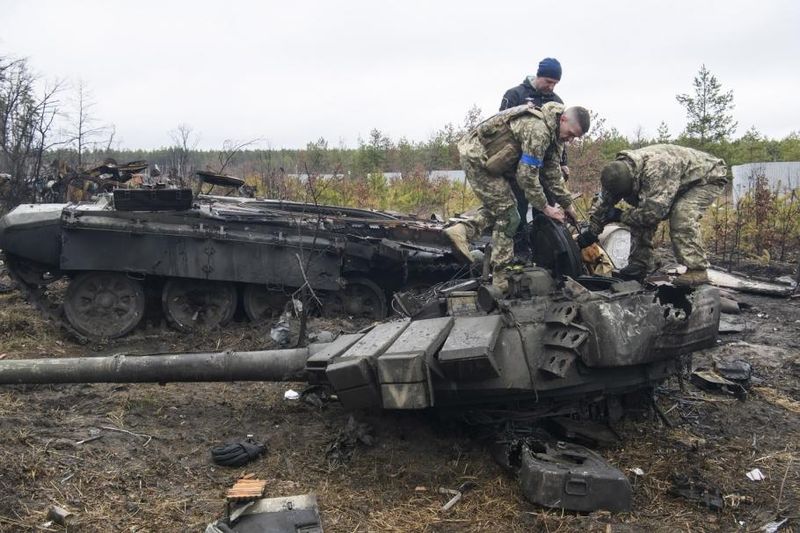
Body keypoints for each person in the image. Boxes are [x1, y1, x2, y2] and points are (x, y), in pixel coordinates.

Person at [444, 102, 591, 291]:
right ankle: (500, 280)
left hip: (493, 161)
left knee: (501, 207)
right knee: (509, 215)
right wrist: (546, 208)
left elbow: (552, 173)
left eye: (574, 137)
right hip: (477, 156)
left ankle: (462, 230)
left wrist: (567, 205)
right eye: (570, 133)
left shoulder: (555, 137)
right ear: (562, 119)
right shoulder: (538, 130)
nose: (569, 139)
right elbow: (527, 176)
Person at [576, 144, 728, 286]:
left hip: (706, 177)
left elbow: (653, 215)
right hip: (677, 178)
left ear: (632, 182)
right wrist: (592, 231)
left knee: (681, 215)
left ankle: (697, 269)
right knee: (640, 212)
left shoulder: (658, 171)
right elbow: (605, 204)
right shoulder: (615, 173)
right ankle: (639, 264)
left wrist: (619, 216)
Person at [500, 57, 570, 257]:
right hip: (517, 164)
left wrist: (563, 163)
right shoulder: (515, 94)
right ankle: (520, 249)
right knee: (519, 206)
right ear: (538, 76)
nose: (551, 86)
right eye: (548, 81)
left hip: (545, 165)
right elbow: (501, 126)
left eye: (555, 83)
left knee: (546, 205)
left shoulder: (557, 102)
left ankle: (543, 248)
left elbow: (561, 137)